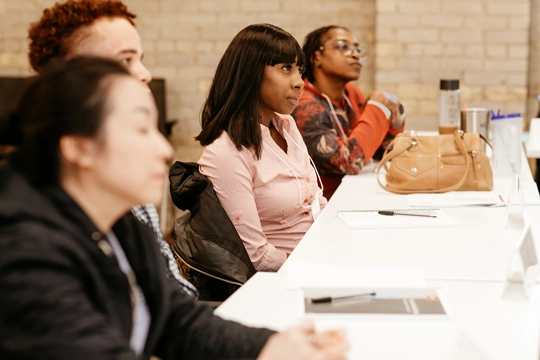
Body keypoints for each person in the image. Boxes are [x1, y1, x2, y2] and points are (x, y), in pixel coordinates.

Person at [0, 56, 349, 359]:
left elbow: (176, 321)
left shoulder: (120, 223)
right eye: (141, 130)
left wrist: (270, 347)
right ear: (79, 148)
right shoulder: (23, 253)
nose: (164, 150)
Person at [27, 0, 197, 297]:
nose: (144, 73)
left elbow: (174, 299)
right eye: (125, 61)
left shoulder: (129, 186)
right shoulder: (38, 237)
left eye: (140, 58)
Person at [196, 24, 327, 272]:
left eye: (300, 71)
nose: (300, 82)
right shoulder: (226, 151)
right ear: (251, 72)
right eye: (286, 68)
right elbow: (256, 255)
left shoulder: (286, 125)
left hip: (317, 252)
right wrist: (312, 268)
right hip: (284, 277)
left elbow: (316, 201)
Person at [292, 25, 406, 199]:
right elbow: (348, 162)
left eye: (357, 49)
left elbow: (378, 154)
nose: (355, 55)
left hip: (353, 193)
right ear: (316, 58)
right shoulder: (303, 103)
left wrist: (395, 124)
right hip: (321, 205)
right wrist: (376, 108)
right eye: (343, 47)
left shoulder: (351, 93)